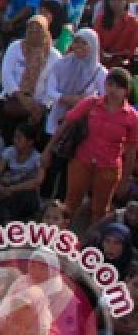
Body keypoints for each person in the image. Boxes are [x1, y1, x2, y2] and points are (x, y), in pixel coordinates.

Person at [44, 68, 138, 225]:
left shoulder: (132, 117)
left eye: (118, 87)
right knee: (70, 204)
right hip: (82, 160)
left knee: (100, 210)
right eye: (110, 84)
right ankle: (61, 240)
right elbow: (66, 123)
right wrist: (48, 149)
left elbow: (131, 151)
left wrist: (124, 181)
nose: (113, 90)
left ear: (126, 90)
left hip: (108, 167)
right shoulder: (91, 103)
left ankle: (92, 244)